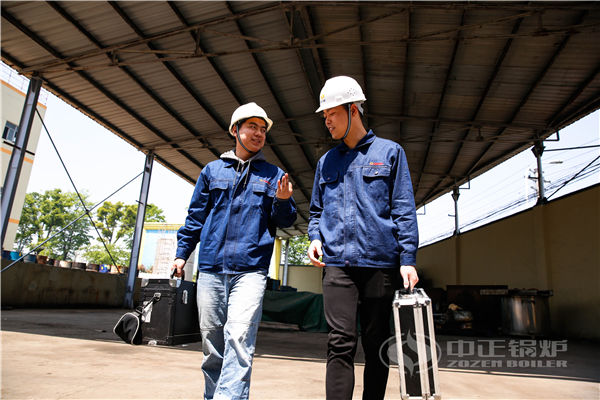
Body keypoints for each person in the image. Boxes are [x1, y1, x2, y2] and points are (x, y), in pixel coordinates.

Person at [172, 102, 296, 400]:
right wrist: (181, 254)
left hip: (251, 270)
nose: (258, 133)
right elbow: (195, 218)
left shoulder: (272, 174)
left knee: (238, 339)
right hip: (212, 269)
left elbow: (285, 220)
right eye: (252, 126)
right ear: (235, 130)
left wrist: (282, 200)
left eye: (263, 129)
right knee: (212, 347)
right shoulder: (212, 171)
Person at [307, 76, 419, 400]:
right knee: (339, 343)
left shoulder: (390, 153)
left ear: (353, 110)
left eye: (331, 112)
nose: (326, 120)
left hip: (380, 263)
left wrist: (408, 259)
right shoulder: (325, 162)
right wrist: (314, 237)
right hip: (337, 265)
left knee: (376, 344)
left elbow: (403, 208)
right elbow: (316, 212)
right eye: (324, 115)